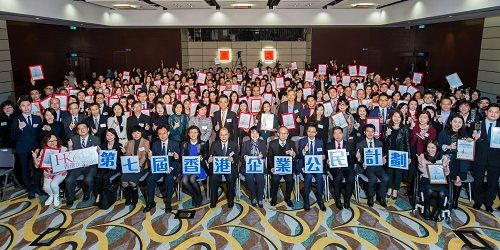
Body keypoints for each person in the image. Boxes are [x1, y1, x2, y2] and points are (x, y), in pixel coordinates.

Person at [11, 97, 43, 199]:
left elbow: (40, 135)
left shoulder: (37, 118)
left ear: (31, 105)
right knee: (25, 170)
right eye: (23, 106)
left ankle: (37, 187)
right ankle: (30, 189)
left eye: (28, 105)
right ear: (20, 108)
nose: (26, 108)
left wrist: (39, 147)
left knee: (37, 169)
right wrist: (19, 128)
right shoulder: (16, 120)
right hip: (22, 149)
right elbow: (12, 136)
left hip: (35, 148)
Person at [144, 126, 181, 213]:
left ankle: (168, 202)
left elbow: (178, 160)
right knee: (150, 178)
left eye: (164, 133)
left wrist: (172, 166)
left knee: (169, 179)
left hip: (171, 168)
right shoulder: (155, 144)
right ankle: (150, 202)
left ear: (168, 133)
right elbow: (154, 160)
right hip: (159, 168)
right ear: (157, 135)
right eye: (160, 134)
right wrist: (150, 157)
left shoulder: (175, 144)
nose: (162, 136)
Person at [437, 114, 471, 209]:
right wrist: (448, 146)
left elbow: (468, 148)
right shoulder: (443, 132)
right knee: (451, 178)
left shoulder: (464, 133)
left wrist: (469, 141)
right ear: (450, 122)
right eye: (455, 121)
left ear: (462, 124)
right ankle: (447, 198)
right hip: (449, 159)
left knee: (459, 180)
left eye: (460, 122)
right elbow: (439, 146)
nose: (457, 124)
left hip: (461, 160)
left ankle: (455, 200)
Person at [471, 103, 500, 212]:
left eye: (496, 112)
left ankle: (489, 202)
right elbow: (470, 139)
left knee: (493, 182)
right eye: (491, 111)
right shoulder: (478, 124)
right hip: (479, 157)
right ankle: (478, 201)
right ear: (486, 112)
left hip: (496, 159)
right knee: (478, 181)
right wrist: (473, 138)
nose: (493, 114)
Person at [65, 122, 99, 207]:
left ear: (88, 129)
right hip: (78, 165)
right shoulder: (73, 139)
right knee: (69, 180)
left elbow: (98, 156)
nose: (82, 130)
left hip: (91, 166)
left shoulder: (95, 139)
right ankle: (70, 197)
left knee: (88, 180)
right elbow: (70, 156)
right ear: (77, 131)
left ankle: (87, 194)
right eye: (79, 128)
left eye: (84, 127)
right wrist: (70, 148)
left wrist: (99, 151)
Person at [355, 123, 389, 207]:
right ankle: (370, 197)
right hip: (366, 167)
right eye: (368, 131)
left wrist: (384, 160)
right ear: (364, 132)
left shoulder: (379, 143)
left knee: (386, 178)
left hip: (378, 167)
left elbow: (382, 156)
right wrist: (359, 160)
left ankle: (381, 197)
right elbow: (358, 158)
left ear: (374, 133)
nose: (370, 133)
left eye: (372, 131)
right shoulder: (360, 144)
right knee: (373, 179)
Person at [417, 141, 450, 221]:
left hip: (439, 179)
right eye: (428, 147)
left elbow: (447, 173)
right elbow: (422, 171)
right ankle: (426, 209)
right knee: (429, 189)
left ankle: (437, 211)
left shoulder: (443, 157)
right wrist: (420, 164)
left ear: (437, 148)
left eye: (433, 147)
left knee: (442, 193)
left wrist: (445, 166)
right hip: (427, 178)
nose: (430, 149)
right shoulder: (423, 156)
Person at [31, 133, 67, 207]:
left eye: (54, 140)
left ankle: (56, 196)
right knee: (46, 187)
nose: (52, 142)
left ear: (58, 140)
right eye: (49, 141)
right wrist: (34, 157)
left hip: (60, 172)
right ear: (46, 143)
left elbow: (69, 162)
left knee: (53, 184)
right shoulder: (43, 151)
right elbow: (37, 165)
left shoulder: (63, 149)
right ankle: (51, 195)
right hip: (48, 173)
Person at [207, 127, 239, 208]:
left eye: (225, 135)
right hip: (218, 167)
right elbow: (210, 155)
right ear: (219, 136)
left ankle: (231, 200)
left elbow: (237, 159)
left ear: (228, 135)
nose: (224, 136)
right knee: (213, 178)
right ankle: (214, 200)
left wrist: (232, 160)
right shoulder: (214, 144)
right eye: (221, 135)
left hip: (229, 167)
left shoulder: (234, 144)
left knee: (230, 178)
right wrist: (210, 158)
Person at [297, 125, 326, 211]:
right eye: (309, 131)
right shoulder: (302, 141)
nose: (311, 133)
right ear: (307, 132)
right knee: (308, 176)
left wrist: (323, 157)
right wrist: (304, 151)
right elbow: (299, 155)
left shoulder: (320, 142)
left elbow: (322, 154)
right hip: (305, 165)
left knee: (319, 176)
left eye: (313, 132)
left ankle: (320, 198)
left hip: (316, 165)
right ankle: (306, 199)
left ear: (316, 133)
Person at [325, 126, 356, 209]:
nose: (337, 135)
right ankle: (338, 199)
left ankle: (347, 199)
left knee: (351, 177)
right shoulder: (328, 145)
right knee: (338, 177)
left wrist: (357, 156)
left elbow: (353, 158)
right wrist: (327, 161)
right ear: (332, 135)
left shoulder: (349, 145)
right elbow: (325, 159)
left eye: (339, 133)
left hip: (347, 166)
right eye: (335, 133)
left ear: (342, 134)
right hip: (335, 167)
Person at [383, 110, 410, 200]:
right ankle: (390, 188)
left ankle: (396, 189)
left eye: (399, 117)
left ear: (401, 118)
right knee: (389, 172)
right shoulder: (387, 127)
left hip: (400, 154)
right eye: (395, 116)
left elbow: (407, 143)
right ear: (391, 117)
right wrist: (387, 135)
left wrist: (408, 156)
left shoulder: (404, 128)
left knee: (398, 173)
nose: (396, 118)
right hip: (390, 153)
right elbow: (384, 142)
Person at [94, 128, 124, 206]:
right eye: (107, 135)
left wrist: (124, 152)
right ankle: (98, 195)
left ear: (115, 136)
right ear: (105, 136)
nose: (109, 137)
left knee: (106, 177)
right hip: (105, 166)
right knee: (98, 176)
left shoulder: (119, 145)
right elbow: (101, 159)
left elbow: (121, 159)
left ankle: (106, 196)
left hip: (115, 167)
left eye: (111, 135)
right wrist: (99, 153)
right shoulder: (103, 145)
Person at [180, 125, 209, 208]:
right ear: (188, 134)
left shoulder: (203, 143)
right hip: (188, 166)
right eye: (191, 132)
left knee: (192, 178)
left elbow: (206, 155)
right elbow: (182, 157)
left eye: (195, 132)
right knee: (185, 180)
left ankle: (199, 196)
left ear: (198, 133)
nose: (193, 134)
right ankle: (194, 195)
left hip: (199, 166)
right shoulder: (184, 144)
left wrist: (202, 157)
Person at [268, 126, 296, 208]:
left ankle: (287, 198)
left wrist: (293, 154)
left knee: (290, 179)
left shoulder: (291, 143)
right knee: (275, 179)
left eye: (285, 133)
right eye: (281, 133)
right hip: (277, 167)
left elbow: (296, 156)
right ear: (278, 134)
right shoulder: (272, 143)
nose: (283, 135)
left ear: (288, 135)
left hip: (287, 168)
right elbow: (269, 157)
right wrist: (272, 167)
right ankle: (274, 198)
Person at [122, 126, 150, 207]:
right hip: (131, 165)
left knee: (131, 181)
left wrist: (139, 165)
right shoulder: (130, 142)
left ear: (141, 133)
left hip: (142, 166)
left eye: (138, 133)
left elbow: (145, 156)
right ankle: (128, 197)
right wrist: (124, 152)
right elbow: (127, 155)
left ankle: (135, 197)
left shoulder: (146, 142)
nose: (136, 135)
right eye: (134, 133)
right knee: (124, 181)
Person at [240, 127, 267, 208]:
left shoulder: (262, 143)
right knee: (249, 177)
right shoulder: (245, 143)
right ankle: (253, 197)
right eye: (252, 133)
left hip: (259, 166)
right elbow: (241, 157)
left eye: (256, 133)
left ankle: (260, 198)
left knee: (260, 178)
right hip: (249, 166)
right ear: (250, 134)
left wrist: (262, 156)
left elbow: (265, 155)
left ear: (259, 135)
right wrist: (245, 158)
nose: (254, 135)